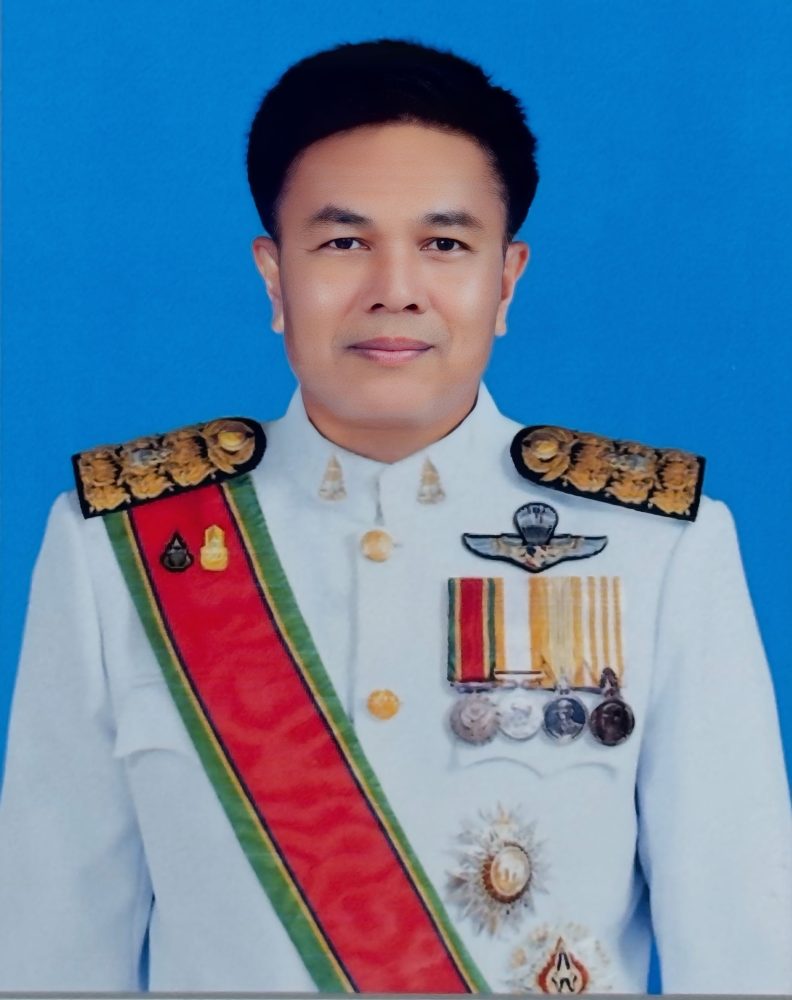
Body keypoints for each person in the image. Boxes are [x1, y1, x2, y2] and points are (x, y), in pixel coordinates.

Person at [0, 37, 789, 996]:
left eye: (445, 244)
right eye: (344, 242)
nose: (395, 289)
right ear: (273, 275)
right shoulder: (122, 547)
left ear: (507, 280)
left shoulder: (659, 546)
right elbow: (51, 946)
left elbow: (746, 950)